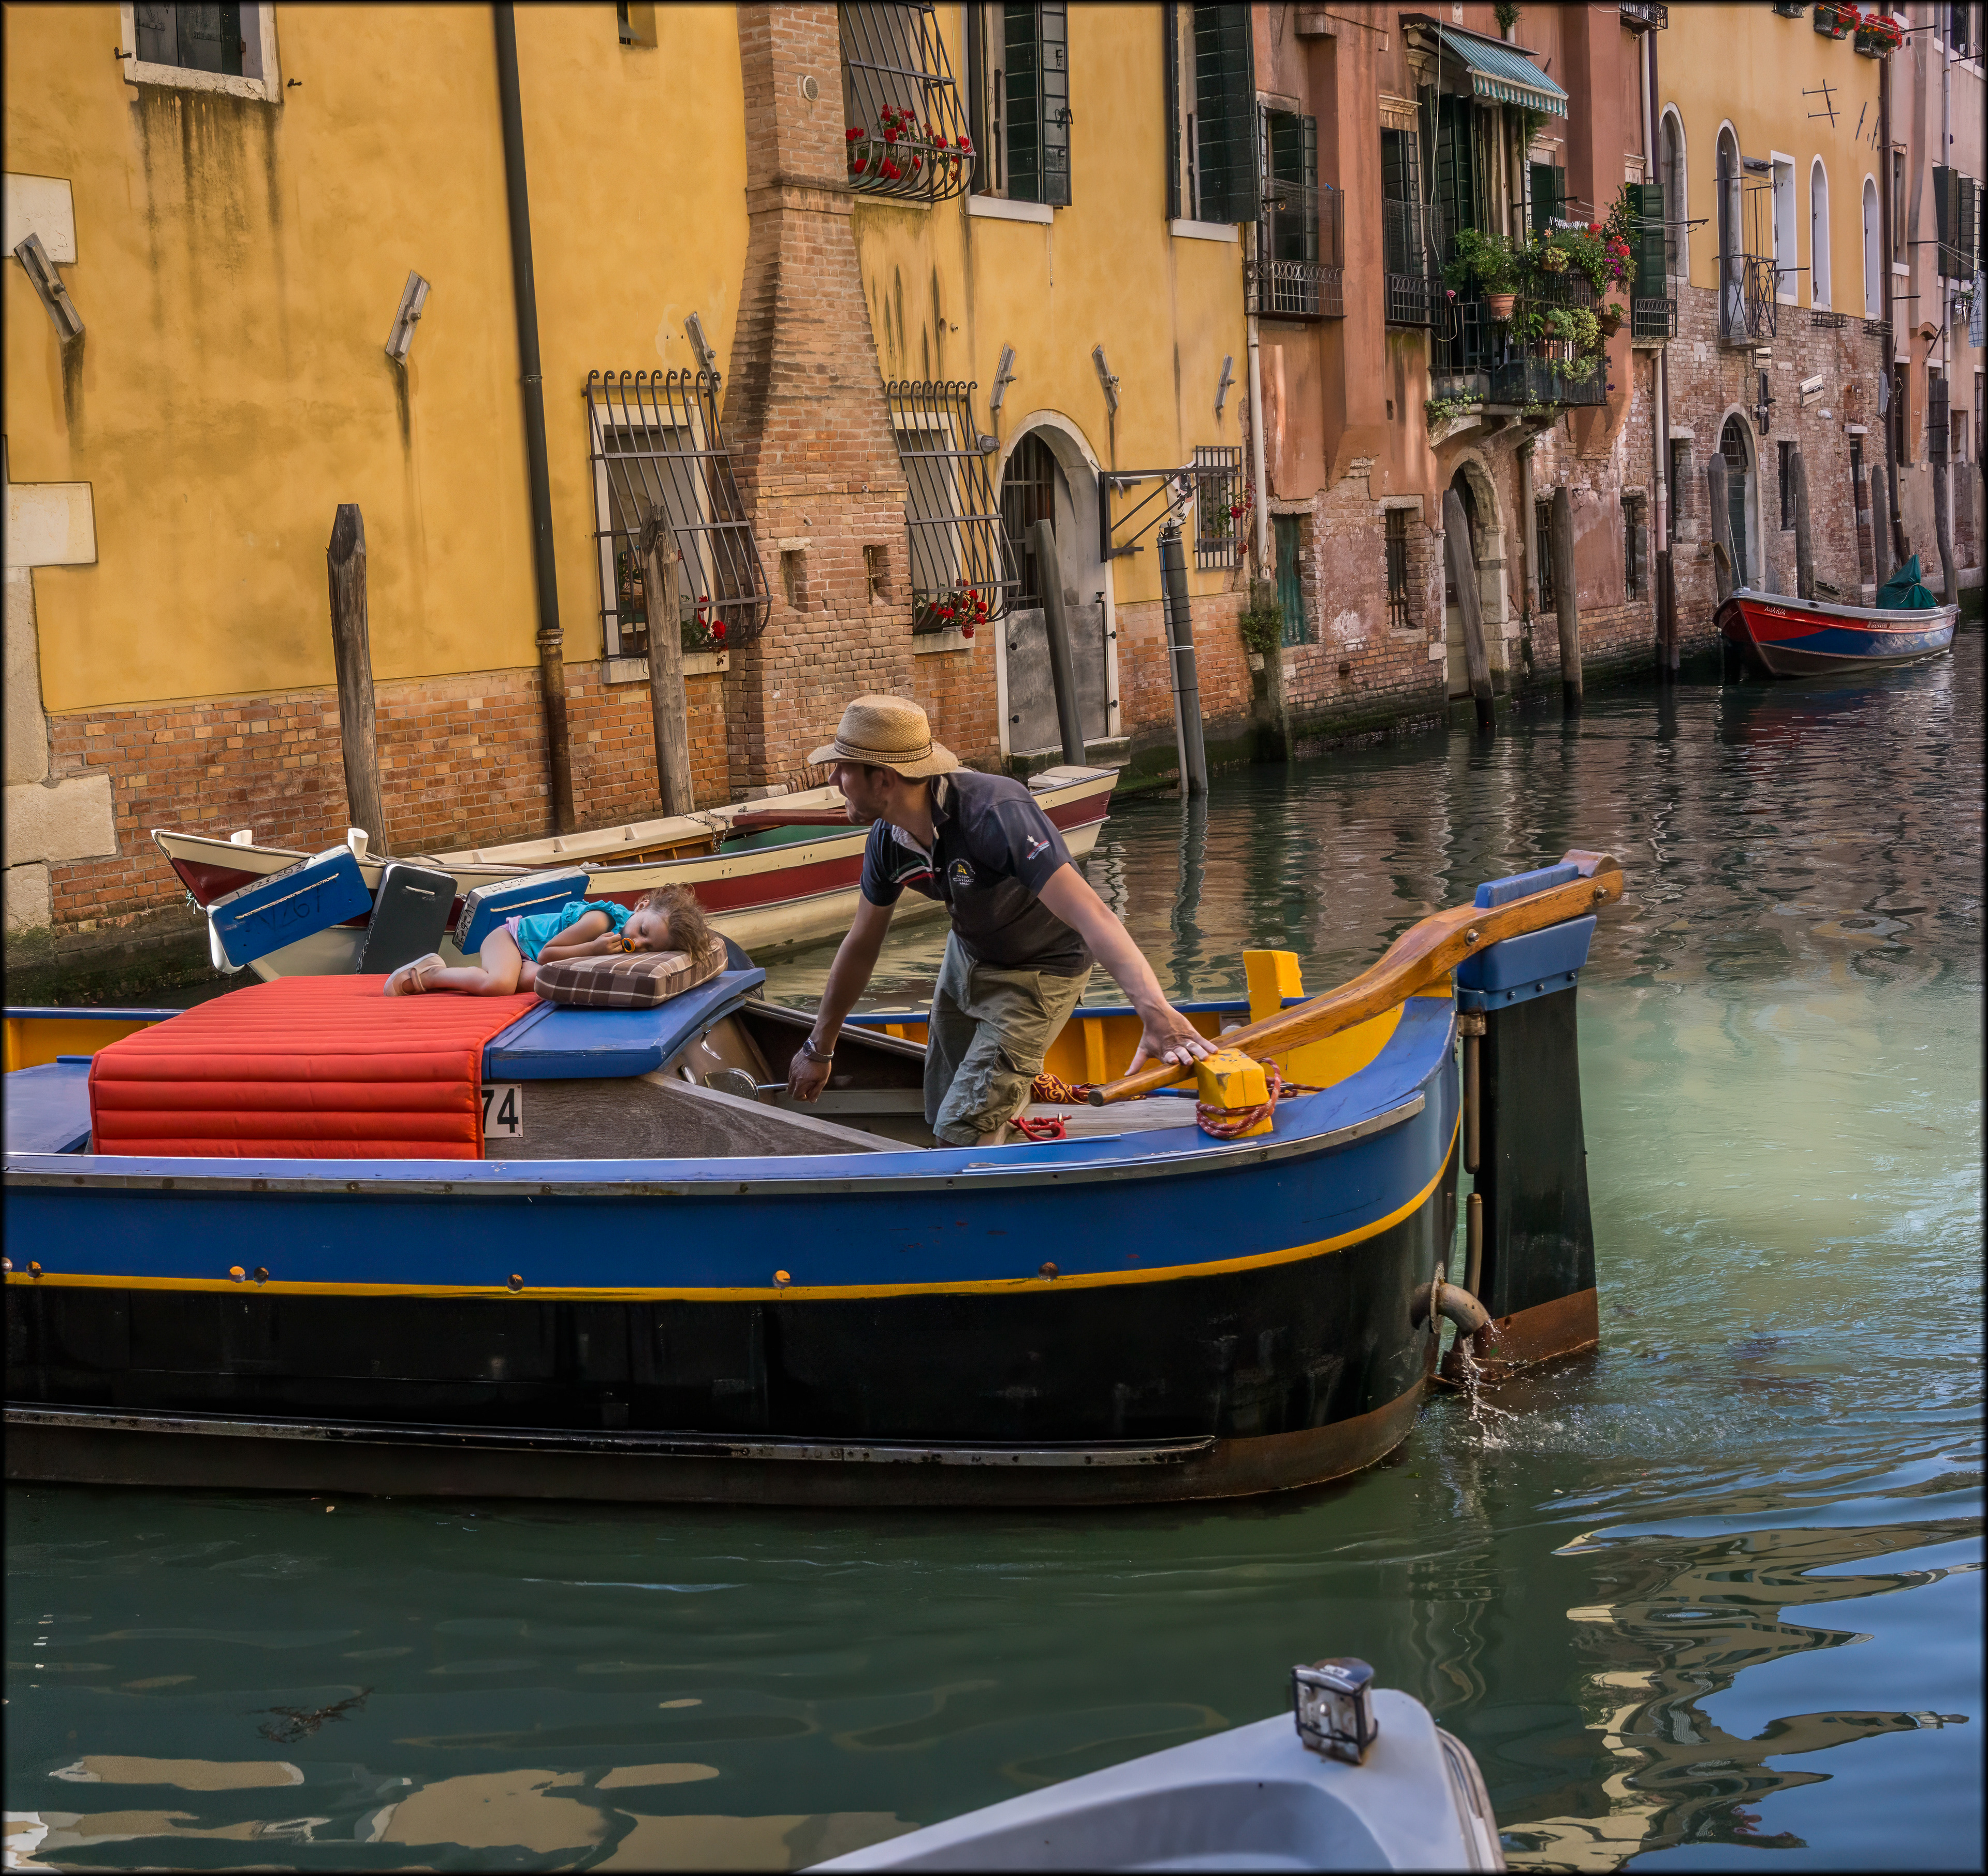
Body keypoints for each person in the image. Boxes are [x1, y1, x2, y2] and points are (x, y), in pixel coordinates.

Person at [786, 694, 1214, 1146]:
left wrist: (1155, 1013)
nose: (834, 780)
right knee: (943, 1103)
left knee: (960, 1127)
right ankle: (998, 1128)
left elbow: (1094, 915)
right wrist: (819, 1048)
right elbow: (861, 946)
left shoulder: (994, 812)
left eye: (844, 768)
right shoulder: (886, 841)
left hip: (1041, 970)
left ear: (886, 779)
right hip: (968, 954)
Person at [383, 885, 712, 996]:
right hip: (513, 940)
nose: (638, 945)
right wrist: (594, 949)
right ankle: (429, 974)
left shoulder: (631, 940)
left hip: (537, 959)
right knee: (498, 985)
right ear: (640, 907)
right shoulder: (601, 922)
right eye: (642, 932)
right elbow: (549, 954)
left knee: (537, 984)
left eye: (650, 948)